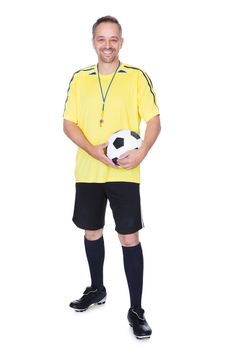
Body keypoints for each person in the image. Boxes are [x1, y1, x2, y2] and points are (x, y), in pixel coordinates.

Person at [63, 15, 161, 339]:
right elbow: (69, 124)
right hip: (89, 172)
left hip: (125, 173)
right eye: (102, 39)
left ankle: (136, 309)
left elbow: (155, 122)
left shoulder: (136, 77)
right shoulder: (79, 79)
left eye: (113, 39)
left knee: (128, 238)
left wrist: (141, 153)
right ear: (93, 42)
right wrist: (95, 152)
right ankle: (97, 288)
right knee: (92, 232)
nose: (108, 45)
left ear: (121, 41)